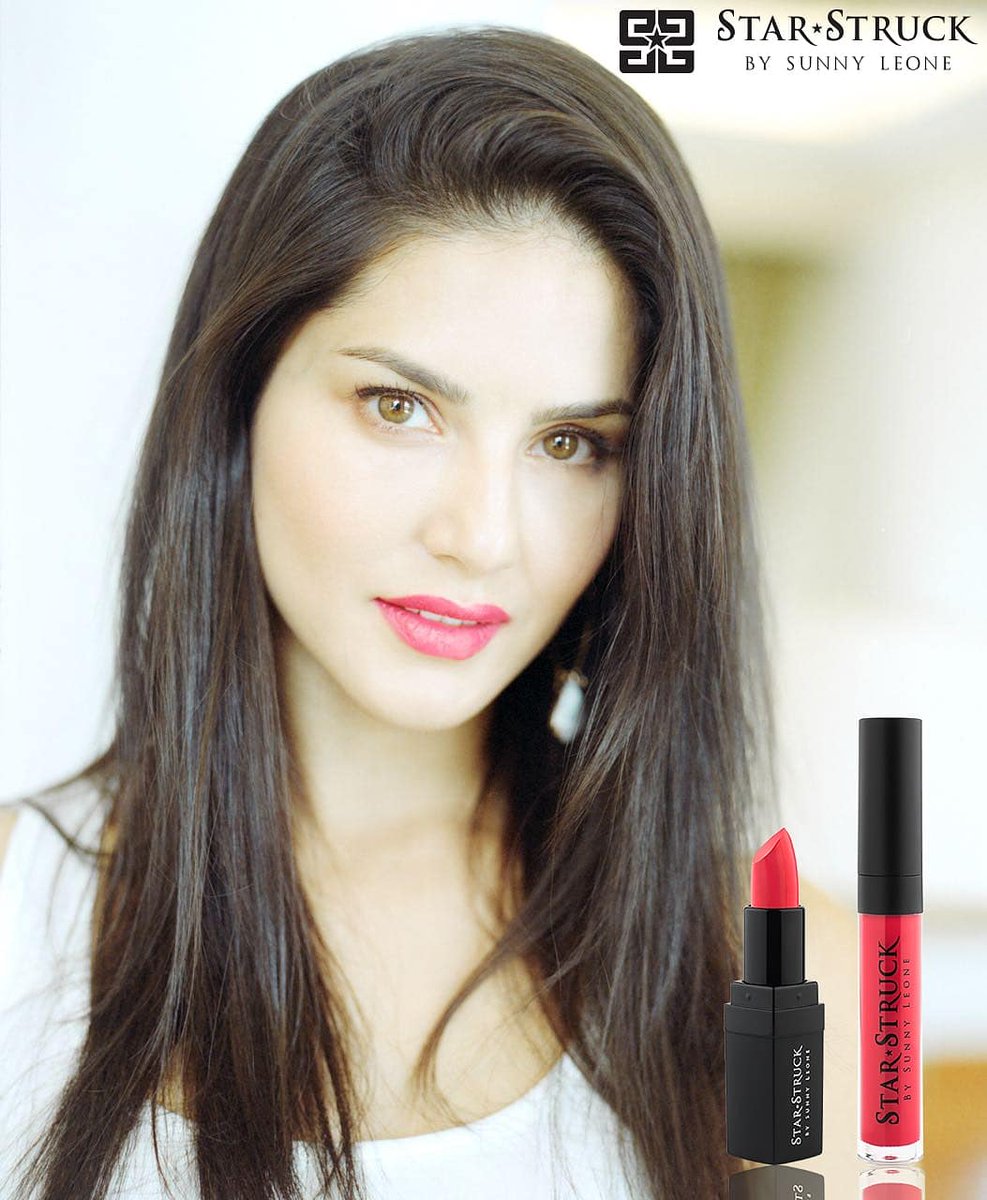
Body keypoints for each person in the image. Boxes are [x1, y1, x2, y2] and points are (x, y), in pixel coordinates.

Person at [0, 24, 773, 1200]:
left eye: (573, 443)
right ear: (241, 396)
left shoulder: (774, 961)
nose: (483, 535)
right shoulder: (19, 910)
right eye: (400, 406)